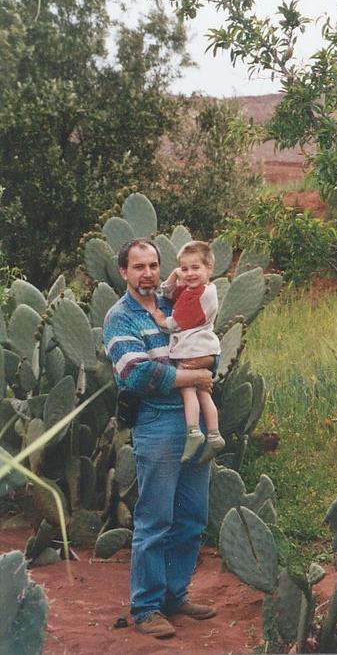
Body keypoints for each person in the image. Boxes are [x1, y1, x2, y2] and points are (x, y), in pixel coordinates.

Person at [103, 238, 217, 639]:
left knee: (191, 516)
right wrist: (193, 376)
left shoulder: (175, 304)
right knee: (155, 520)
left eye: (153, 265)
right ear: (124, 272)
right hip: (155, 425)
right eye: (138, 267)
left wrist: (195, 369)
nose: (147, 273)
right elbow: (137, 375)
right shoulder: (120, 318)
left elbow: (209, 350)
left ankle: (175, 594)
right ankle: (147, 607)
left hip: (194, 421)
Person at [151, 240, 225, 463]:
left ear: (209, 269)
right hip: (205, 347)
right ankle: (214, 434)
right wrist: (175, 275)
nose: (189, 274)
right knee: (204, 392)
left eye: (195, 268)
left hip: (193, 349)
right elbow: (167, 292)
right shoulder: (198, 289)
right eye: (185, 269)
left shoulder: (197, 295)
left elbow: (177, 322)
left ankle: (193, 432)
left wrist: (161, 319)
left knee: (188, 390)